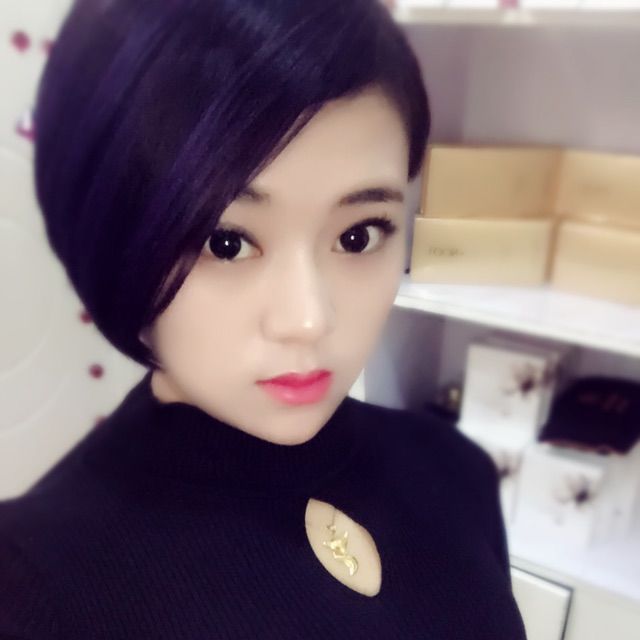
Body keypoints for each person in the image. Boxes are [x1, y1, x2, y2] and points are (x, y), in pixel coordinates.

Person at [0, 0, 527, 638]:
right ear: (110, 237)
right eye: (225, 243)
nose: (308, 320)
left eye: (359, 235)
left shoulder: (454, 471)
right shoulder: (33, 588)